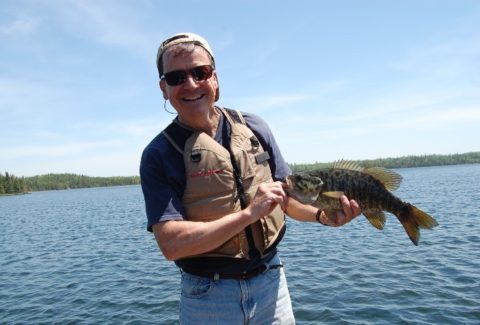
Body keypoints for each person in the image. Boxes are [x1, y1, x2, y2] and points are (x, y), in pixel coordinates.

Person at [140, 32, 361, 324]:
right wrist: (249, 214)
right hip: (207, 298)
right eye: (176, 77)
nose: (191, 83)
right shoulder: (158, 154)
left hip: (271, 283)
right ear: (163, 88)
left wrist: (323, 216)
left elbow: (289, 200)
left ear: (215, 79)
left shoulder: (254, 127)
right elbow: (172, 245)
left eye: (200, 72)